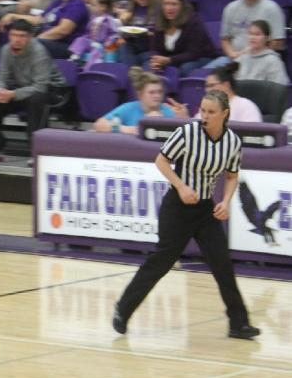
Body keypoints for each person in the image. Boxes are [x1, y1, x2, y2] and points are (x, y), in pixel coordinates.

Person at [113, 90, 261, 340]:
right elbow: (161, 161)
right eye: (202, 110)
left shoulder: (233, 142)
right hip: (178, 207)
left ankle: (239, 323)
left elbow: (232, 175)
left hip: (205, 210)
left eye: (211, 112)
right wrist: (181, 186)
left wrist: (225, 201)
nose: (204, 116)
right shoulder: (187, 133)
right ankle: (123, 309)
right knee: (161, 261)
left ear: (225, 114)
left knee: (222, 264)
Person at [0, 19, 66, 164]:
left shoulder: (39, 52)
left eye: (22, 36)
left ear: (30, 37)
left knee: (36, 99)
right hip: (22, 88)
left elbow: (40, 86)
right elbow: (2, 77)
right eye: (14, 35)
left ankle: (37, 152)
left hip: (52, 90)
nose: (17, 39)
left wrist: (13, 94)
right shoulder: (6, 50)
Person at [0, 0, 89, 59]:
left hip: (66, 47)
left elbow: (63, 30)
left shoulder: (77, 4)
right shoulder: (58, 2)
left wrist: (36, 39)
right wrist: (13, 16)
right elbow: (39, 19)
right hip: (45, 41)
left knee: (29, 43)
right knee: (12, 29)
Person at [207, 0, 286, 69]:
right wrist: (232, 54)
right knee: (210, 76)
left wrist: (252, 55)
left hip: (262, 59)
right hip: (234, 58)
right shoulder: (231, 8)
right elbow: (225, 39)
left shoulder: (272, 8)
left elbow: (278, 43)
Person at [94, 68, 186, 134]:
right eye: (152, 92)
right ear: (140, 95)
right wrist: (124, 129)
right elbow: (99, 124)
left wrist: (184, 119)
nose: (157, 96)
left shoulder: (169, 111)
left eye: (160, 92)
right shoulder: (128, 108)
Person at [149, 0, 216, 76]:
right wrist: (156, 60)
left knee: (186, 68)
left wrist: (169, 60)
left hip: (200, 58)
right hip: (172, 59)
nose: (169, 8)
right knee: (149, 67)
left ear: (182, 6)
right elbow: (154, 48)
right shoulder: (159, 21)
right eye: (166, 4)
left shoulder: (194, 22)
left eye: (174, 4)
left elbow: (193, 53)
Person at [67, 0, 122, 70]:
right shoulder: (92, 19)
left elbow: (114, 33)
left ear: (103, 7)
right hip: (91, 42)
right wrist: (85, 38)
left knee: (97, 51)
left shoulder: (109, 20)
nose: (90, 7)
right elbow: (87, 31)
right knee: (80, 40)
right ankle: (75, 56)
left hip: (102, 45)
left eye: (93, 5)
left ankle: (89, 68)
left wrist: (108, 42)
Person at [193, 62, 263, 122]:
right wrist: (186, 118)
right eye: (207, 86)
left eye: (212, 85)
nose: (207, 90)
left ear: (226, 85)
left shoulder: (246, 106)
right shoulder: (206, 108)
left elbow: (253, 135)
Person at [115, 0, 159, 67]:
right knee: (122, 47)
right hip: (134, 48)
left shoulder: (159, 5)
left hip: (152, 50)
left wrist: (151, 34)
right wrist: (122, 24)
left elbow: (166, 33)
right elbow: (126, 33)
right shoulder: (131, 8)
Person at [234, 20, 289, 84]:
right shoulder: (242, 59)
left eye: (257, 34)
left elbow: (279, 87)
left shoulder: (273, 61)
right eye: (250, 34)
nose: (252, 37)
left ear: (267, 38)